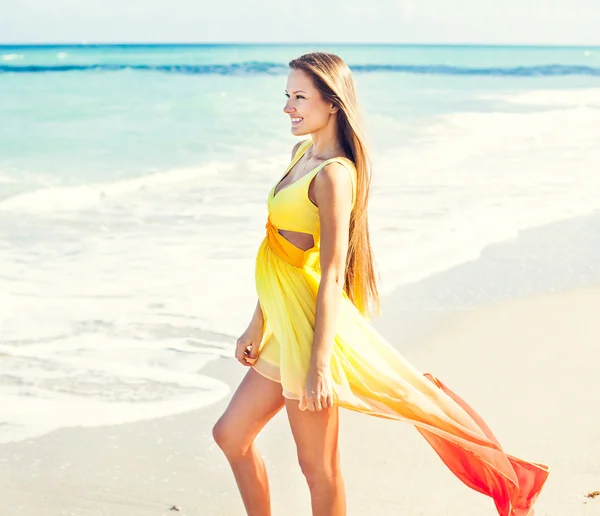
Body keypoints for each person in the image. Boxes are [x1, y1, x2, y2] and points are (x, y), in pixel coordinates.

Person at [212, 51, 549, 516]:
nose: (288, 107)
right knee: (230, 435)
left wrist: (319, 367)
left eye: (299, 97)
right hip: (282, 321)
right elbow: (282, 256)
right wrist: (257, 323)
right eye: (287, 96)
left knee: (318, 468)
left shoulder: (334, 175)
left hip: (311, 332)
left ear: (332, 103)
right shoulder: (301, 155)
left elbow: (330, 272)